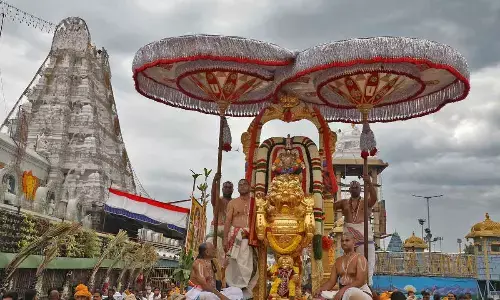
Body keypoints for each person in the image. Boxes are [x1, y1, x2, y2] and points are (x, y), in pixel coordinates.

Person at [335, 175, 377, 285]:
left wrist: (369, 183)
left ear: (360, 189)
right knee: (348, 265)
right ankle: (347, 286)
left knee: (367, 267)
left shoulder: (366, 202)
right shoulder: (343, 202)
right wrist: (331, 187)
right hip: (349, 238)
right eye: (352, 187)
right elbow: (330, 205)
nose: (354, 188)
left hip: (364, 238)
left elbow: (374, 198)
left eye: (357, 187)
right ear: (349, 189)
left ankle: (366, 288)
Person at [223, 178, 258, 299]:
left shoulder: (255, 202)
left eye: (244, 184)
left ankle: (244, 293)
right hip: (235, 238)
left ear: (249, 187)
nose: (242, 186)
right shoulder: (232, 203)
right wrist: (224, 239)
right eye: (240, 185)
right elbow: (227, 221)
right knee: (234, 266)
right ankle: (234, 292)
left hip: (250, 239)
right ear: (237, 188)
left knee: (249, 266)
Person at [314, 232, 372, 300]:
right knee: (321, 295)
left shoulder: (360, 258)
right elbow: (331, 282)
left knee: (350, 292)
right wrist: (320, 290)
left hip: (361, 292)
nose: (344, 243)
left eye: (347, 240)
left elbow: (360, 281)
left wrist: (343, 290)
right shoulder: (338, 261)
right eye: (342, 241)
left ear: (354, 242)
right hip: (344, 294)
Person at [207, 177, 234, 267]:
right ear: (222, 189)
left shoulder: (234, 202)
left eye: (229, 187)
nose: (227, 189)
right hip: (216, 228)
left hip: (229, 229)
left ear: (233, 190)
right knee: (210, 243)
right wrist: (215, 181)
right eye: (225, 187)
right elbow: (213, 194)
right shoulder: (218, 200)